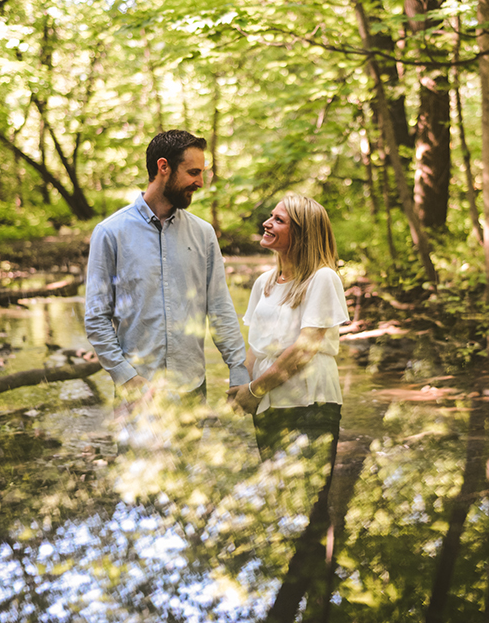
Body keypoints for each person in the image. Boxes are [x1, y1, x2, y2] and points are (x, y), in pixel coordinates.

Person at [84, 129, 249, 416]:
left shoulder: (203, 234)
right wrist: (126, 377)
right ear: (164, 167)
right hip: (136, 394)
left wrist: (238, 368)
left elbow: (220, 307)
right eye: (193, 172)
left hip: (191, 390)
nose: (200, 182)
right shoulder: (110, 233)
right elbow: (97, 317)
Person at [227, 194, 350, 460]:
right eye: (270, 216)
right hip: (267, 401)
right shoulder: (264, 283)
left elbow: (304, 350)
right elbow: (256, 348)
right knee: (275, 494)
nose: (267, 223)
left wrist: (254, 389)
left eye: (278, 220)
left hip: (309, 403)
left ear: (302, 234)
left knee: (309, 498)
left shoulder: (322, 278)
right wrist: (240, 387)